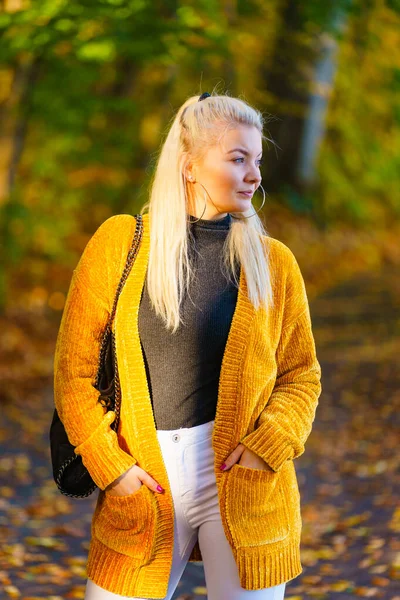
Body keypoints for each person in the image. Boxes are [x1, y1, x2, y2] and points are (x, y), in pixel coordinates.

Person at [53, 91, 322, 600]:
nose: (254, 175)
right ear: (191, 165)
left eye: (257, 160)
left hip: (242, 482)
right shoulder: (122, 244)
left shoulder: (273, 262)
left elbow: (301, 373)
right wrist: (112, 467)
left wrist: (267, 448)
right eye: (238, 158)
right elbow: (74, 371)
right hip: (144, 481)